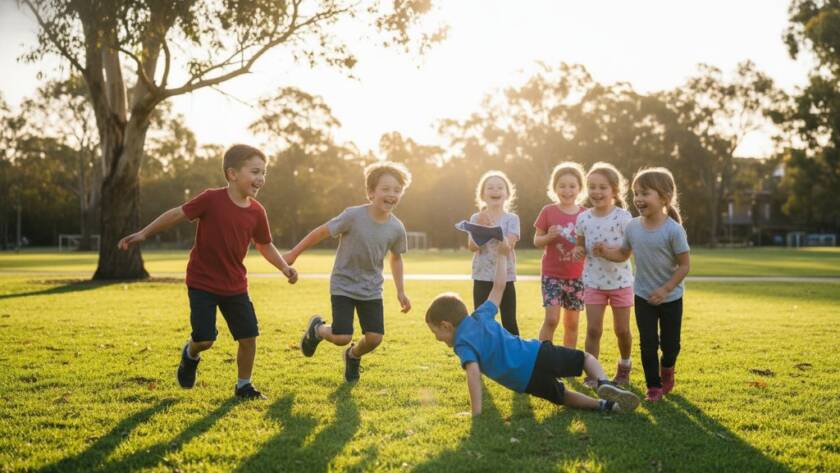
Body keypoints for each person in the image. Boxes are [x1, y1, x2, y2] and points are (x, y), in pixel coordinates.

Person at [118, 144, 298, 400]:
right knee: (204, 339)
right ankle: (190, 354)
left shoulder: (257, 212)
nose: (261, 178)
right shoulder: (211, 199)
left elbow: (264, 244)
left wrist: (284, 267)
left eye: (264, 173)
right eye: (255, 171)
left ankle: (244, 385)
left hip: (235, 285)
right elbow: (178, 213)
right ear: (232, 174)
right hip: (202, 282)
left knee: (248, 337)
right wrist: (144, 233)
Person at [425, 241, 639, 416]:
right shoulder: (481, 315)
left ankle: (606, 406)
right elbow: (499, 286)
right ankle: (603, 383)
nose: (437, 338)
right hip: (535, 353)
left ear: (446, 325)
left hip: (523, 380)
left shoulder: (462, 344)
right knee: (584, 359)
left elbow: (472, 372)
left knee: (561, 395)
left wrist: (476, 413)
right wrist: (502, 255)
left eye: (436, 332)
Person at [292, 161, 412, 383]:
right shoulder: (353, 215)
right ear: (370, 192)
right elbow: (321, 232)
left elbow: (396, 258)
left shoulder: (396, 228)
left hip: (371, 288)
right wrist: (293, 254)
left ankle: (353, 355)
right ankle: (317, 330)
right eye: (385, 189)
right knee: (341, 336)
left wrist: (401, 291)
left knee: (374, 338)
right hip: (344, 284)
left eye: (397, 190)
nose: (392, 194)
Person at [595, 167, 690, 401]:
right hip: (643, 296)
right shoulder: (633, 227)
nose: (638, 199)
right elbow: (623, 254)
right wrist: (606, 252)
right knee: (648, 344)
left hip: (671, 298)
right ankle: (653, 387)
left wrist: (666, 289)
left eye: (645, 193)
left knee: (671, 346)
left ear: (664, 197)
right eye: (636, 193)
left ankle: (667, 369)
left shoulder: (673, 230)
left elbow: (684, 266)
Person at [573, 162, 634, 388]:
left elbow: (626, 253)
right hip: (593, 282)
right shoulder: (584, 218)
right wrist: (579, 250)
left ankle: (624, 367)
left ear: (614, 191)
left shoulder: (623, 217)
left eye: (602, 187)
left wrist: (606, 252)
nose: (596, 192)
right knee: (593, 329)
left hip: (621, 284)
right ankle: (593, 374)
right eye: (592, 187)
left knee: (622, 330)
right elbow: (579, 244)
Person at [533, 162, 587, 347]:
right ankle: (543, 359)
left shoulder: (586, 215)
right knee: (552, 319)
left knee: (572, 323)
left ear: (580, 188)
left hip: (577, 276)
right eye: (562, 186)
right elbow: (537, 241)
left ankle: (568, 363)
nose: (567, 190)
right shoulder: (548, 211)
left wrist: (583, 248)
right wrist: (549, 236)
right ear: (554, 188)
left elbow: (589, 244)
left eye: (572, 186)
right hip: (552, 276)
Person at [467, 170, 521, 335]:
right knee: (482, 320)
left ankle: (515, 357)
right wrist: (481, 229)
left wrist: (492, 228)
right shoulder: (476, 218)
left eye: (500, 187)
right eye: (490, 188)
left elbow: (507, 247)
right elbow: (472, 246)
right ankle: (483, 355)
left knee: (509, 321)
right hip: (482, 275)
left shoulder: (512, 219)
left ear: (507, 194)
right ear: (482, 194)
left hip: (505, 276)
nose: (495, 191)